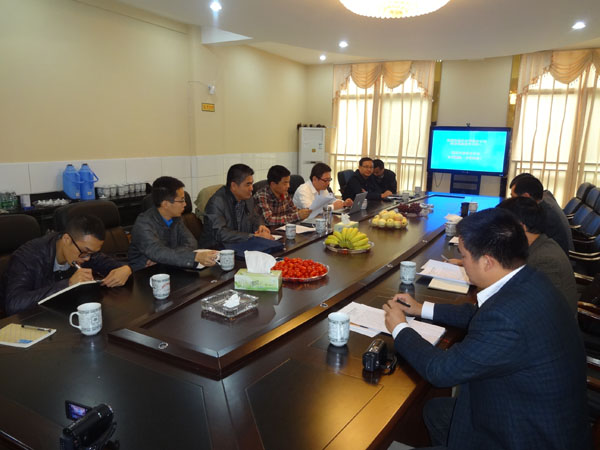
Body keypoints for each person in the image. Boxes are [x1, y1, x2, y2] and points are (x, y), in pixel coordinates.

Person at [383, 208, 590, 450]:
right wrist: (422, 309)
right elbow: (479, 314)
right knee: (436, 410)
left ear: (487, 262)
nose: (463, 265)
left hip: (527, 436)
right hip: (533, 407)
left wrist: (399, 328)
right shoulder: (530, 278)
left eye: (464, 257)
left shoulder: (506, 318)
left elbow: (441, 371)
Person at [0, 215, 133, 316]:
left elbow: (115, 265)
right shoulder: (28, 257)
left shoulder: (84, 251)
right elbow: (14, 304)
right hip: (32, 322)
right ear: (66, 239)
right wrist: (68, 284)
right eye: (85, 252)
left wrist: (126, 269)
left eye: (92, 253)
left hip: (63, 315)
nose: (87, 258)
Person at [497, 196, 578, 315]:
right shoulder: (538, 244)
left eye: (501, 227)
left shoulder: (545, 260)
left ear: (520, 228)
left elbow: (532, 309)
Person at [128, 176, 218, 271]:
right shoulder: (143, 224)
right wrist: (194, 257)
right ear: (165, 204)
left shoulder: (175, 218)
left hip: (169, 268)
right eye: (181, 200)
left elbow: (191, 243)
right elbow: (157, 251)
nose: (185, 204)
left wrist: (164, 257)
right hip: (143, 272)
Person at [199, 164, 272, 248]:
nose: (251, 188)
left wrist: (261, 226)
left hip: (239, 246)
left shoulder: (248, 199)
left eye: (252, 184)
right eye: (248, 184)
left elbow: (256, 217)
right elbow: (221, 233)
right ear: (233, 186)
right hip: (215, 249)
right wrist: (253, 236)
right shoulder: (216, 202)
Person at [510, 174, 573, 254]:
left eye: (513, 197)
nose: (512, 201)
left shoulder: (544, 214)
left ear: (526, 196)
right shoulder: (544, 203)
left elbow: (526, 241)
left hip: (550, 257)